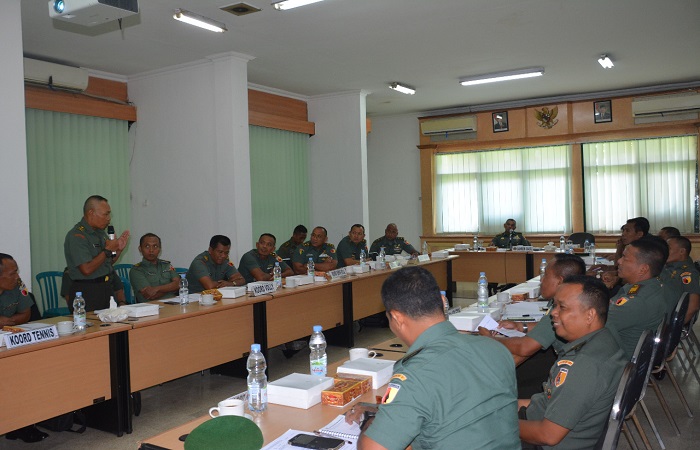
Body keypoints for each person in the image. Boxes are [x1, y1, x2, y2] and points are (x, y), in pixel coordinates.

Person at [346, 266, 520, 449]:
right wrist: (385, 411)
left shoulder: (414, 375)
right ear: (443, 302)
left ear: (397, 318)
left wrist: (370, 422)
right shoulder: (495, 348)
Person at [519, 276, 626, 449]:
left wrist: (498, 423)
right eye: (555, 305)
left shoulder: (584, 364)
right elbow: (549, 400)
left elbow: (548, 435)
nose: (554, 312)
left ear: (590, 315)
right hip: (545, 418)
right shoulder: (603, 339)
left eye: (562, 307)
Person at [479, 254, 586, 364]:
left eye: (545, 275)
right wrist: (520, 326)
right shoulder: (579, 297)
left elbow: (525, 348)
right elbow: (548, 327)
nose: (541, 280)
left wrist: (490, 340)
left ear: (559, 281)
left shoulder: (565, 308)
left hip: (575, 367)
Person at [0, 254, 49, 444]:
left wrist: (5, 323)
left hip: (10, 341)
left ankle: (23, 424)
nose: (17, 276)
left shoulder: (17, 285)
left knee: (25, 374)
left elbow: (26, 314)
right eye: (12, 273)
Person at [64, 195, 130, 311]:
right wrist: (108, 250)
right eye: (106, 214)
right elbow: (86, 269)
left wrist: (118, 249)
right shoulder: (77, 236)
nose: (109, 218)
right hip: (87, 291)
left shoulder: (100, 233)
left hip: (105, 288)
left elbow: (108, 262)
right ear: (91, 213)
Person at [129, 233, 180, 303]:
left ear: (160, 249)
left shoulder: (167, 265)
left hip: (174, 304)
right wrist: (171, 287)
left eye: (155, 246)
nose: (151, 250)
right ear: (140, 249)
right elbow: (151, 295)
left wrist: (156, 289)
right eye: (147, 246)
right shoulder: (136, 270)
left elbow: (178, 284)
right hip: (150, 308)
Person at [660, 235, 700, 323]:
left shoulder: (687, 273)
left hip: (665, 318)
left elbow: (694, 305)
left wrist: (674, 327)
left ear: (682, 251)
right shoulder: (667, 267)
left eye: (668, 248)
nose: (664, 252)